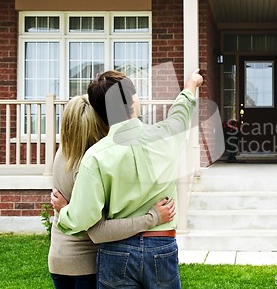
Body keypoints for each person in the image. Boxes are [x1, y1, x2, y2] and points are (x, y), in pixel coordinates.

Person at [56, 69, 203, 288]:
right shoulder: (166, 136)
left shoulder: (95, 157)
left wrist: (65, 210)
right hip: (161, 245)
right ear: (133, 102)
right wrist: (191, 85)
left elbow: (82, 219)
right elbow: (181, 114)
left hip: (115, 251)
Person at [48, 94, 176, 289]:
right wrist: (153, 217)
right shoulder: (90, 165)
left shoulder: (62, 154)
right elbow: (98, 231)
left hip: (58, 258)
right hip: (85, 263)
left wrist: (64, 209)